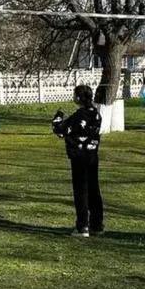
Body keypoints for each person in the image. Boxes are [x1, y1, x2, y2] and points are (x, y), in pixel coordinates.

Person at [52, 84, 104, 237]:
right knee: (94, 189)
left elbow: (60, 129)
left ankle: (82, 226)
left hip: (79, 157)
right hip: (92, 156)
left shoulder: (79, 116)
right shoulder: (96, 114)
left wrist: (58, 116)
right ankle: (97, 224)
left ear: (79, 98)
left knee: (81, 191)